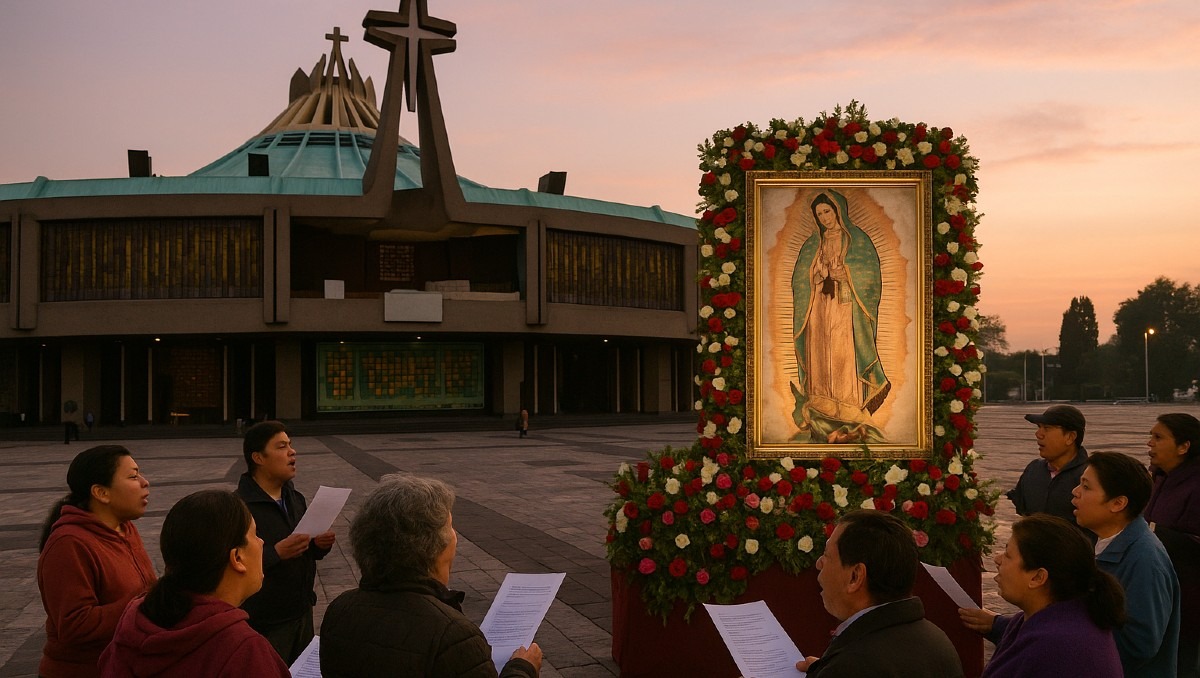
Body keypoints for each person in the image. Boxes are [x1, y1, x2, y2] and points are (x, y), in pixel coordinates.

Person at [963, 452, 1181, 676]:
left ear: (1118, 503)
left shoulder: (1145, 560)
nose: (1075, 492)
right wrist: (1000, 625)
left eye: (1086, 487)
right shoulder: (1097, 541)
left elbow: (1137, 647)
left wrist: (1066, 649)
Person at [320, 474, 542, 677]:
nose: (455, 537)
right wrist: (522, 669)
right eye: (450, 527)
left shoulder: (340, 609)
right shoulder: (453, 635)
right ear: (432, 547)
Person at [99, 490, 289, 677]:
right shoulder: (243, 651)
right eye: (255, 534)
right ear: (237, 558)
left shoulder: (135, 623)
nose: (261, 542)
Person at [795, 510, 963, 677]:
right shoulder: (937, 641)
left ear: (855, 577)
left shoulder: (853, 665)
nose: (819, 564)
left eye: (826, 556)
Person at [36, 445, 157, 678]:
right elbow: (75, 626)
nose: (145, 482)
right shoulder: (69, 544)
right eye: (133, 476)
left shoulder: (125, 529)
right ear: (101, 493)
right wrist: (147, 603)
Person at [789, 189, 889, 444]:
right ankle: (821, 405)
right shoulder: (812, 244)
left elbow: (871, 275)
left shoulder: (857, 240)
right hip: (818, 308)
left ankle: (847, 409)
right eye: (819, 214)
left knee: (843, 352)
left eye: (827, 211)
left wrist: (847, 274)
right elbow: (799, 280)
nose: (824, 217)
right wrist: (815, 275)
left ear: (838, 211)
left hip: (845, 307)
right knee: (820, 353)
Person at [234, 421, 334, 664]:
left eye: (290, 445)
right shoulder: (239, 508)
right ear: (258, 457)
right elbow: (233, 562)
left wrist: (319, 545)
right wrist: (276, 553)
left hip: (302, 612)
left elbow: (306, 550)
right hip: (265, 623)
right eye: (281, 447)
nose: (292, 452)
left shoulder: (295, 498)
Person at [976, 515, 1124, 678]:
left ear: (1038, 577)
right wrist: (996, 624)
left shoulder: (1058, 644)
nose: (997, 559)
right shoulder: (1049, 619)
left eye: (1008, 555)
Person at [1144, 412, 1200, 676]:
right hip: (1155, 594)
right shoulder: (1157, 477)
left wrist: (1154, 533)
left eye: (1158, 437)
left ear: (1183, 446)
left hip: (1187, 604)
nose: (1149, 443)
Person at [1006, 404, 1091, 533]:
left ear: (1070, 437)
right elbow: (1023, 513)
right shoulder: (1033, 470)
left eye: (1047, 428)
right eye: (1039, 427)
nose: (1038, 434)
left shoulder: (1090, 476)